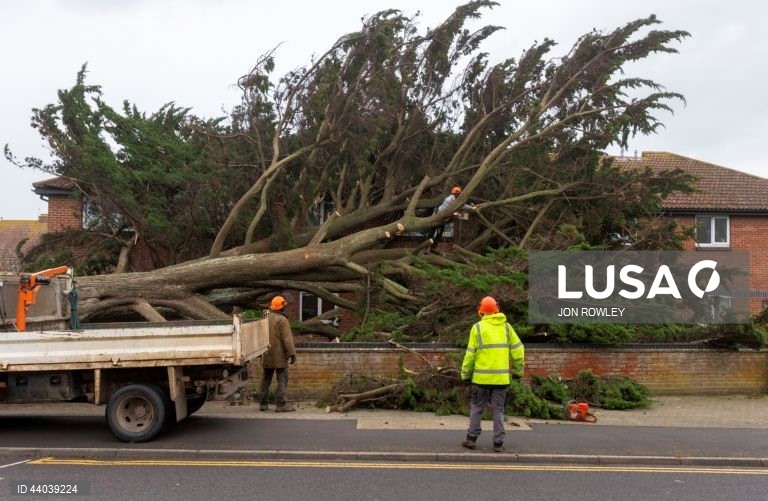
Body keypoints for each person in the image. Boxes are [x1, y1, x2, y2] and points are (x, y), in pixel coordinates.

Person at [460, 296, 524, 452]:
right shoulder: (507, 328)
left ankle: (471, 439)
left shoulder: (477, 328)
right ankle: (498, 443)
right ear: (497, 309)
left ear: (481, 311)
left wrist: (465, 374)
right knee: (498, 410)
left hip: (481, 379)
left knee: (477, 408)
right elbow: (518, 350)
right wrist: (517, 371)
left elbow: (470, 354)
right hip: (501, 380)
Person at [259, 295, 297, 412]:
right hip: (279, 355)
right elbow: (287, 339)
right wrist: (292, 353)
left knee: (266, 378)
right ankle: (281, 405)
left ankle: (263, 404)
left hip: (266, 353)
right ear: (282, 307)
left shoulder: (266, 318)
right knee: (282, 378)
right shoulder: (282, 320)